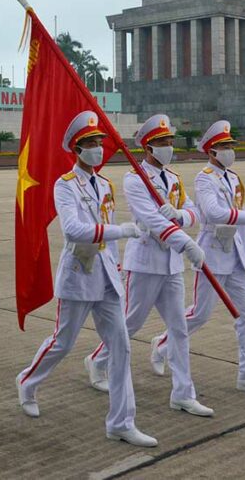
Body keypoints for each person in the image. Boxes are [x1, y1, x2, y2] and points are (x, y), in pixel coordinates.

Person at [15, 111, 156, 447]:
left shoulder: (105, 184)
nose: (97, 149)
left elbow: (101, 229)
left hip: (107, 276)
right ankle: (28, 381)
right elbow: (73, 230)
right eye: (91, 143)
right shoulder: (64, 185)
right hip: (79, 274)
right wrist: (122, 231)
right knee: (62, 343)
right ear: (76, 149)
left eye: (99, 143)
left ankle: (121, 422)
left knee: (121, 347)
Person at [85, 114, 213, 417]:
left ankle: (183, 393)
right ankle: (98, 360)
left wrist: (181, 216)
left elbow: (194, 212)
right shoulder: (134, 178)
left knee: (179, 329)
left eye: (170, 141)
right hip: (145, 263)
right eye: (162, 142)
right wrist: (185, 241)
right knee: (129, 324)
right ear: (148, 147)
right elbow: (149, 220)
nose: (168, 147)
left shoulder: (174, 178)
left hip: (170, 265)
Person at [151, 120, 245, 396]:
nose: (229, 150)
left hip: (234, 257)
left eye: (231, 145)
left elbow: (240, 223)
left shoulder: (233, 179)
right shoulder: (204, 178)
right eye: (224, 146)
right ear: (211, 151)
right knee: (200, 314)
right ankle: (163, 344)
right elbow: (214, 214)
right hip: (210, 254)